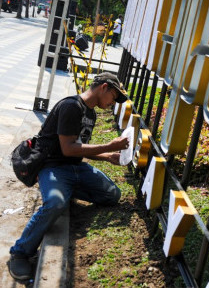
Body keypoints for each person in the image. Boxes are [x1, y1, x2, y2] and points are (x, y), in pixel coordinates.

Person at [8, 72, 129, 280]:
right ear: (104, 87)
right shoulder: (71, 107)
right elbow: (68, 149)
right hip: (53, 167)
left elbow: (80, 149)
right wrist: (109, 145)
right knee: (55, 203)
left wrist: (108, 156)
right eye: (114, 97)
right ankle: (20, 253)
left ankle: (64, 190)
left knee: (112, 195)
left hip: (75, 168)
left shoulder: (90, 113)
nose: (113, 103)